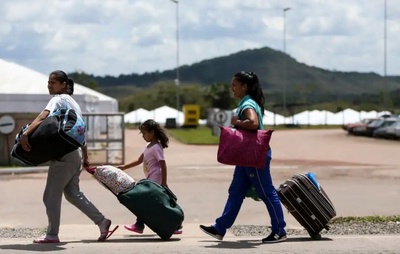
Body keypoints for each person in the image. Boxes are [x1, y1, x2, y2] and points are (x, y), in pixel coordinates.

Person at [18, 70, 117, 243]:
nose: (49, 86)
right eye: (48, 82)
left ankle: (52, 234)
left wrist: (26, 134)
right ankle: (102, 221)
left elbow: (43, 117)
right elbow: (80, 132)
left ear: (64, 85)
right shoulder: (74, 104)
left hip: (64, 156)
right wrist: (85, 156)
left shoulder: (58, 99)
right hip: (75, 154)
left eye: (53, 82)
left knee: (50, 195)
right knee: (72, 194)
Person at [199, 71, 287, 243]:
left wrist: (236, 122)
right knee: (236, 191)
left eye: (234, 84)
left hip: (254, 155)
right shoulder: (247, 102)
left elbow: (253, 123)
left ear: (244, 86)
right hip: (246, 156)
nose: (232, 88)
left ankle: (279, 231)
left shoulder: (247, 104)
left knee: (266, 192)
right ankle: (220, 228)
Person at [117, 119, 182, 234]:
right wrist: (124, 167)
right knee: (156, 204)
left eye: (144, 133)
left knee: (145, 202)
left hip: (156, 180)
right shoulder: (148, 146)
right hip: (150, 180)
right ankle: (175, 225)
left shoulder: (157, 147)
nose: (143, 136)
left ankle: (139, 225)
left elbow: (163, 164)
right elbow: (139, 160)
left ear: (152, 132)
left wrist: (164, 182)